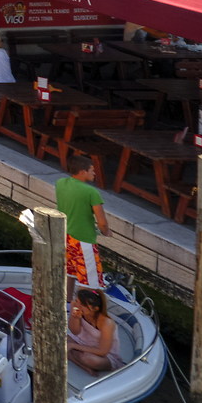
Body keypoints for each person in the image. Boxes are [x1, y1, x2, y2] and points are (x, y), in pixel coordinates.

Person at [54, 149, 111, 288]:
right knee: (90, 281)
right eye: (91, 170)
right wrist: (106, 232)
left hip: (65, 236)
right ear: (82, 172)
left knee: (71, 272)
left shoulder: (60, 183)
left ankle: (68, 304)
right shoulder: (91, 192)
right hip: (83, 239)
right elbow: (102, 222)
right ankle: (84, 308)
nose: (94, 173)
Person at [66, 285, 121, 373]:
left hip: (103, 354)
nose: (77, 306)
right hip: (82, 342)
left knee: (88, 359)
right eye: (77, 301)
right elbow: (75, 332)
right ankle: (81, 364)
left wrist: (73, 346)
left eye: (82, 305)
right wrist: (75, 318)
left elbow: (103, 351)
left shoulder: (107, 323)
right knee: (58, 339)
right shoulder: (75, 306)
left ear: (95, 309)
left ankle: (72, 356)